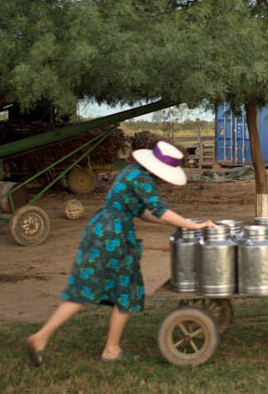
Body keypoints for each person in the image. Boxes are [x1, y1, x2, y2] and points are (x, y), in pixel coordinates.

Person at [23, 141, 215, 365]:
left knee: (86, 288)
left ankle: (45, 337)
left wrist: (178, 224)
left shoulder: (131, 171)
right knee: (124, 291)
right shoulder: (143, 180)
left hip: (100, 230)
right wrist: (194, 226)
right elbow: (161, 211)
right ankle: (107, 349)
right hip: (113, 237)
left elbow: (143, 212)